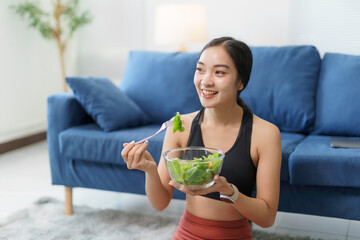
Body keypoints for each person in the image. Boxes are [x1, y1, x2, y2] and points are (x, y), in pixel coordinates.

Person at [121, 37, 282, 240]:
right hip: (187, 234)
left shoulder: (265, 134)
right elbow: (160, 203)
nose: (205, 80)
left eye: (219, 72)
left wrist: (230, 192)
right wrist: (150, 170)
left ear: (241, 82)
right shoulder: (179, 126)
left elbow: (267, 217)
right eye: (200, 69)